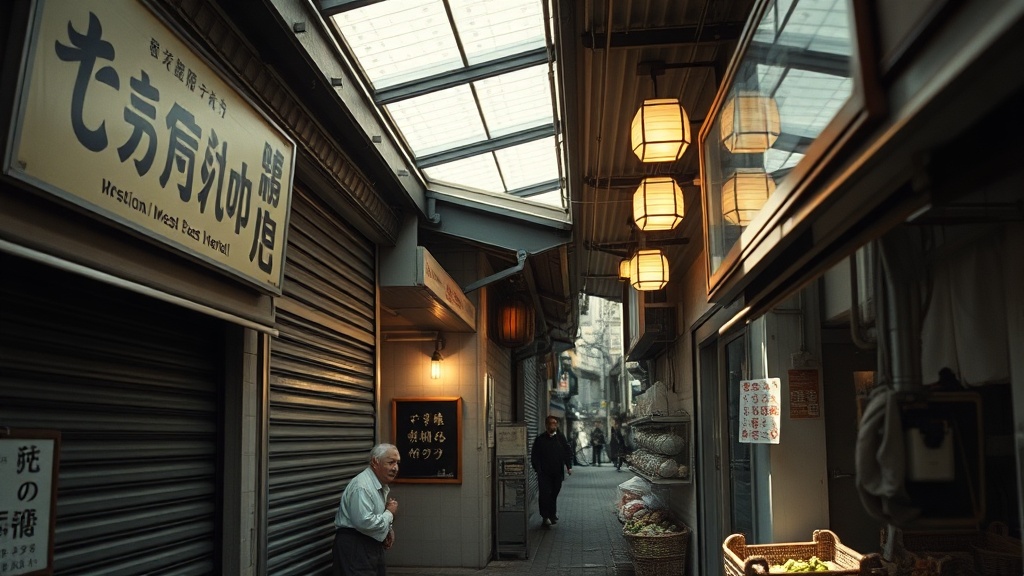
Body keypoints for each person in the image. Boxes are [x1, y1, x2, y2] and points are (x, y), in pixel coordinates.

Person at [332, 443, 401, 576]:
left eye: (397, 463)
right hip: (355, 546)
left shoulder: (378, 484)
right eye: (391, 462)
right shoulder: (362, 487)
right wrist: (389, 514)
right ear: (375, 462)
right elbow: (365, 522)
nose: (395, 468)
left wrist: (388, 529)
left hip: (370, 545)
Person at [530, 416, 573, 527]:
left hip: (557, 472)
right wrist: (538, 469)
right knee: (544, 494)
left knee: (554, 492)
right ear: (546, 425)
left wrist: (569, 466)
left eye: (555, 423)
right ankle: (545, 517)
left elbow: (567, 452)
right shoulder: (540, 439)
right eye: (551, 423)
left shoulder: (560, 438)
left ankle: (552, 514)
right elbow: (535, 456)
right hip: (544, 473)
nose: (553, 425)